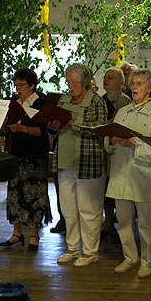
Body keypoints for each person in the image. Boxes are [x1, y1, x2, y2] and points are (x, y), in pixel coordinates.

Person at [105, 69, 151, 278]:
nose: (134, 87)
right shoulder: (123, 112)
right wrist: (111, 139)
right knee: (123, 220)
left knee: (146, 223)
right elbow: (109, 145)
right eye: (133, 83)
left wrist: (132, 145)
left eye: (140, 83)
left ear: (150, 88)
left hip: (144, 175)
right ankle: (129, 256)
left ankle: (147, 260)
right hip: (121, 172)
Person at [50, 63, 108, 266]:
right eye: (69, 81)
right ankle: (73, 248)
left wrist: (73, 122)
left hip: (88, 161)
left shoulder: (97, 101)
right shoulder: (63, 99)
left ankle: (91, 251)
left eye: (75, 81)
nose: (71, 85)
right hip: (65, 160)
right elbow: (54, 130)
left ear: (85, 82)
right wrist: (53, 126)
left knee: (89, 209)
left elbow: (100, 128)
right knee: (68, 209)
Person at [0, 68, 51, 252]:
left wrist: (24, 129)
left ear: (32, 85)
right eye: (16, 84)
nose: (18, 88)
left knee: (35, 195)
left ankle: (35, 235)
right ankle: (16, 233)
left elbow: (43, 133)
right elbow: (6, 129)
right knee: (15, 193)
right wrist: (5, 126)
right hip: (15, 153)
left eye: (21, 85)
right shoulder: (14, 102)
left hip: (35, 155)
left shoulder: (41, 103)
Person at [101, 67, 132, 239]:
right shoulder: (101, 100)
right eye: (105, 77)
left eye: (111, 78)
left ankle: (120, 227)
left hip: (118, 150)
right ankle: (107, 224)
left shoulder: (124, 101)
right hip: (104, 149)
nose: (107, 80)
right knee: (105, 186)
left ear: (121, 82)